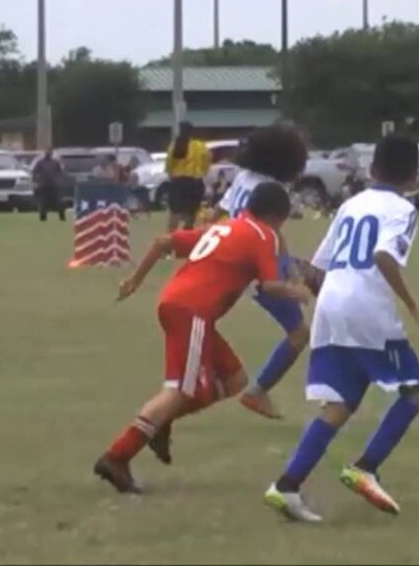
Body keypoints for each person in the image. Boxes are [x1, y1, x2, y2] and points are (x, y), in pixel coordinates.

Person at [93, 181, 313, 494]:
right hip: (192, 310)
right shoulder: (264, 235)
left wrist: (134, 281)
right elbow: (270, 286)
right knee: (178, 391)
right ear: (278, 216)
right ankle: (117, 456)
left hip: (178, 304)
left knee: (235, 379)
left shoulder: (226, 226)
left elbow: (162, 242)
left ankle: (159, 422)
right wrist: (298, 291)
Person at [264, 134, 419, 522]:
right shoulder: (403, 209)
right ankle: (365, 467)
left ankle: (286, 485)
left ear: (372, 169)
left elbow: (316, 269)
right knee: (416, 391)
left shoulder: (351, 204)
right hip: (366, 308)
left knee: (340, 403)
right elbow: (384, 256)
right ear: (413, 175)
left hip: (331, 305)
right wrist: (414, 307)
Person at [212, 125, 310, 421]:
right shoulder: (274, 190)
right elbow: (272, 234)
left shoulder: (243, 178)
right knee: (299, 333)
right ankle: (256, 392)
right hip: (256, 265)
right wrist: (289, 272)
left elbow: (222, 214)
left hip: (234, 255)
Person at [164, 121, 211, 232]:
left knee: (174, 212)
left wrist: (172, 174)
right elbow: (206, 162)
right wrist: (203, 172)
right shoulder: (200, 146)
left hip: (177, 182)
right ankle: (186, 238)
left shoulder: (175, 145)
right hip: (195, 182)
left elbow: (168, 164)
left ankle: (171, 238)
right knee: (191, 213)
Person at [32, 148, 65, 222]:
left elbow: (60, 173)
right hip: (43, 185)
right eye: (47, 151)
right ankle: (43, 218)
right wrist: (35, 182)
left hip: (53, 185)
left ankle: (62, 217)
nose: (48, 153)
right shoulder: (40, 163)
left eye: (50, 152)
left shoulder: (55, 163)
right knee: (43, 203)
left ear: (52, 153)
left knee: (58, 202)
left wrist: (60, 182)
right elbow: (35, 173)